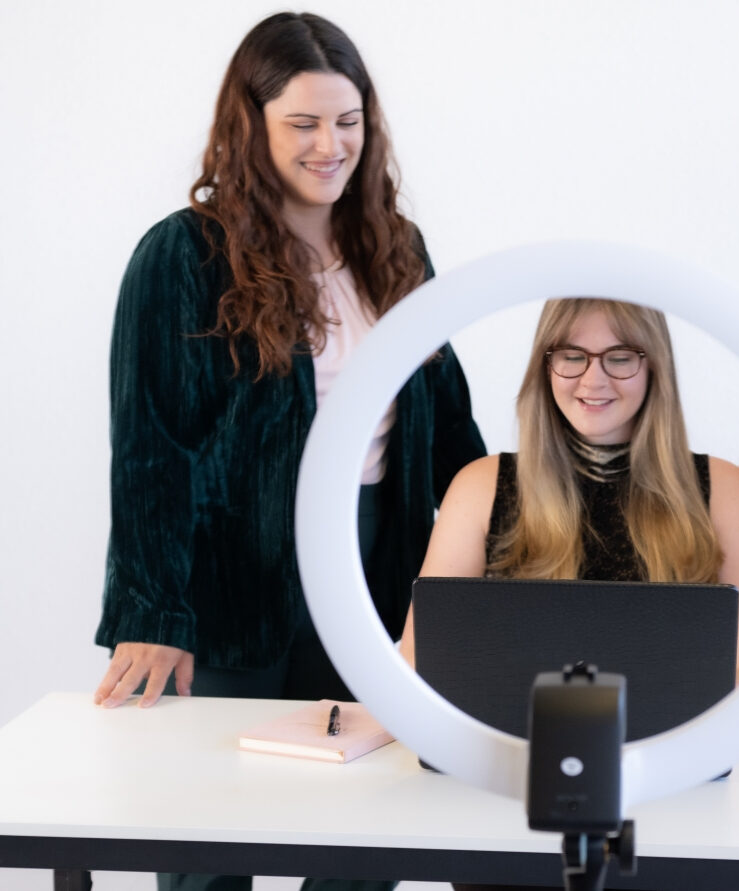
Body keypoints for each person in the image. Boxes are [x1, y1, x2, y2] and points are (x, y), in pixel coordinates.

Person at [92, 12, 485, 891]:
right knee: (210, 828)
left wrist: (506, 552)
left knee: (372, 819)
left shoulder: (397, 249)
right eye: (302, 123)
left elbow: (451, 423)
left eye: (347, 122)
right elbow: (147, 444)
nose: (329, 145)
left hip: (378, 556)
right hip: (231, 566)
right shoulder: (181, 256)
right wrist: (153, 611)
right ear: (251, 124)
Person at [403, 298, 739, 687]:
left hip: (681, 743)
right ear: (545, 365)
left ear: (654, 365)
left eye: (619, 358)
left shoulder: (724, 489)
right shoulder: (479, 486)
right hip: (511, 744)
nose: (593, 380)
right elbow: (420, 658)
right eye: (571, 355)